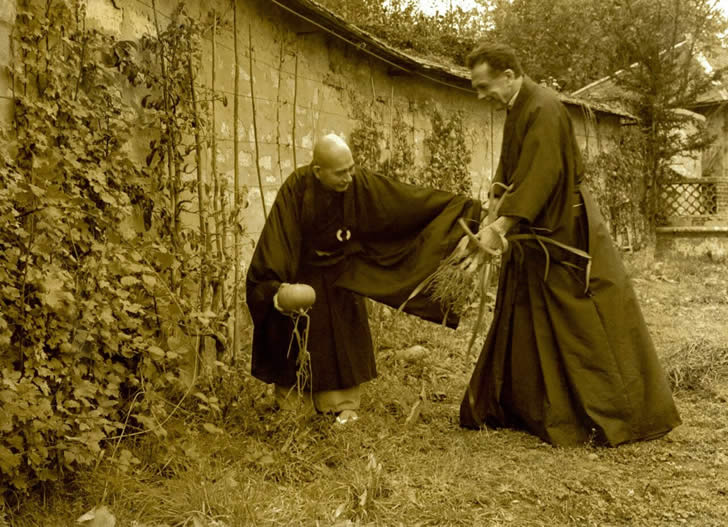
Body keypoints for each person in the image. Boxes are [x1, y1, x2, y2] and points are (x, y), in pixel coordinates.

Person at [457, 43, 681, 446]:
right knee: (527, 315)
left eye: (484, 85)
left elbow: (543, 175)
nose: (480, 95)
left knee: (582, 320)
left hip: (565, 228)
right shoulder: (517, 108)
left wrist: (502, 225)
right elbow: (511, 166)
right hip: (536, 227)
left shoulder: (544, 108)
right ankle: (530, 405)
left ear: (509, 76)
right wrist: (492, 204)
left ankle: (617, 413)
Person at [246, 134, 480, 424]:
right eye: (340, 172)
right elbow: (278, 237)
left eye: (351, 168)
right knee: (298, 323)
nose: (349, 176)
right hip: (302, 273)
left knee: (342, 334)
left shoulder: (359, 183)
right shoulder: (296, 189)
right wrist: (277, 288)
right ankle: (295, 398)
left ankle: (342, 401)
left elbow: (405, 201)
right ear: (318, 171)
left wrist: (463, 209)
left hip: (342, 271)